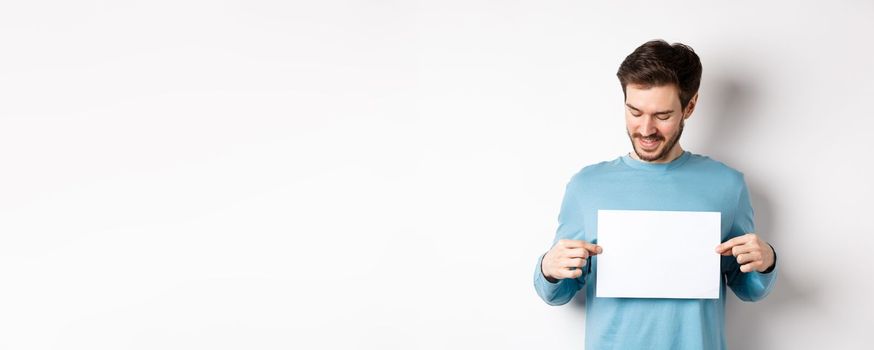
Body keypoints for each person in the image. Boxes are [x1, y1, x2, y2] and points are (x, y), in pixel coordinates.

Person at [533, 39, 778, 349]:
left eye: (662, 116)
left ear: (689, 107)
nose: (645, 129)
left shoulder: (727, 185)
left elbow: (749, 289)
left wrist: (766, 260)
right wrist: (548, 268)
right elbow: (556, 292)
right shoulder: (587, 185)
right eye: (634, 112)